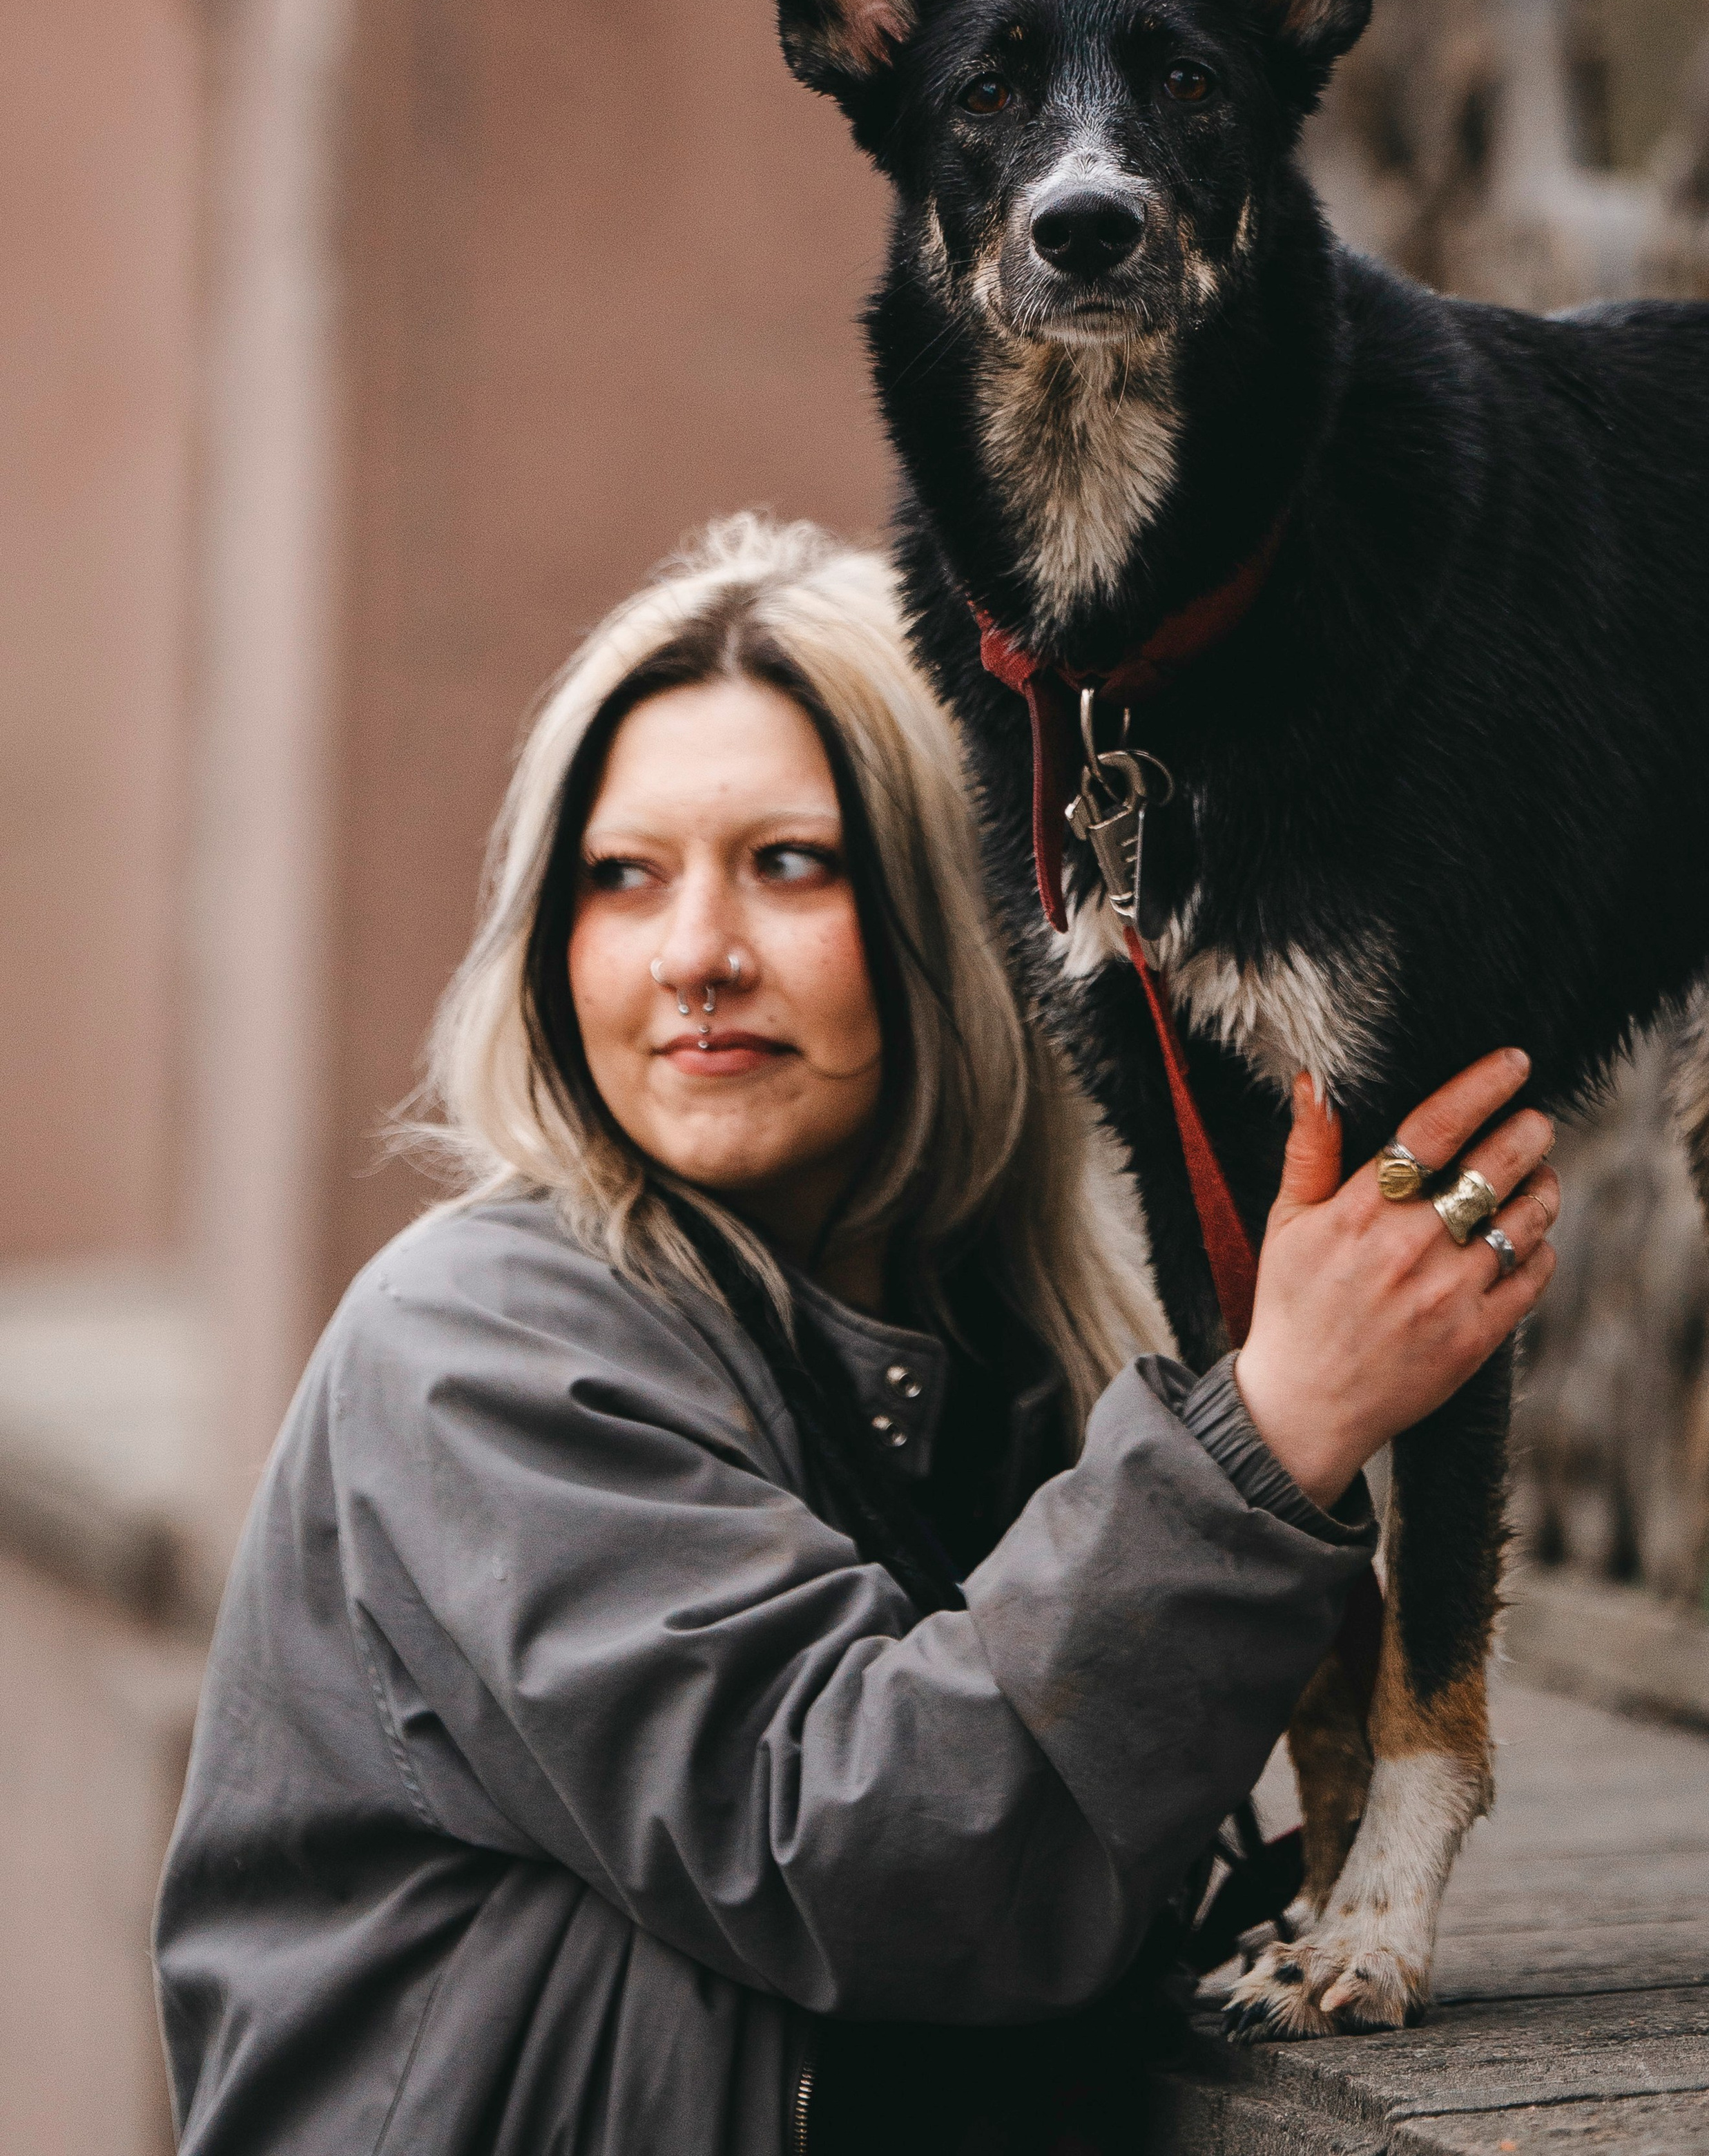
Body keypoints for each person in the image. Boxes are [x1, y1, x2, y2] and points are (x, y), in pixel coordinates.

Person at [153, 515, 1558, 2156]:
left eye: (790, 862)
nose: (695, 955)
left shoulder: (1011, 1344)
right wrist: (1270, 1429)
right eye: (621, 876)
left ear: (948, 912)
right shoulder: (477, 1346)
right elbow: (870, 1853)